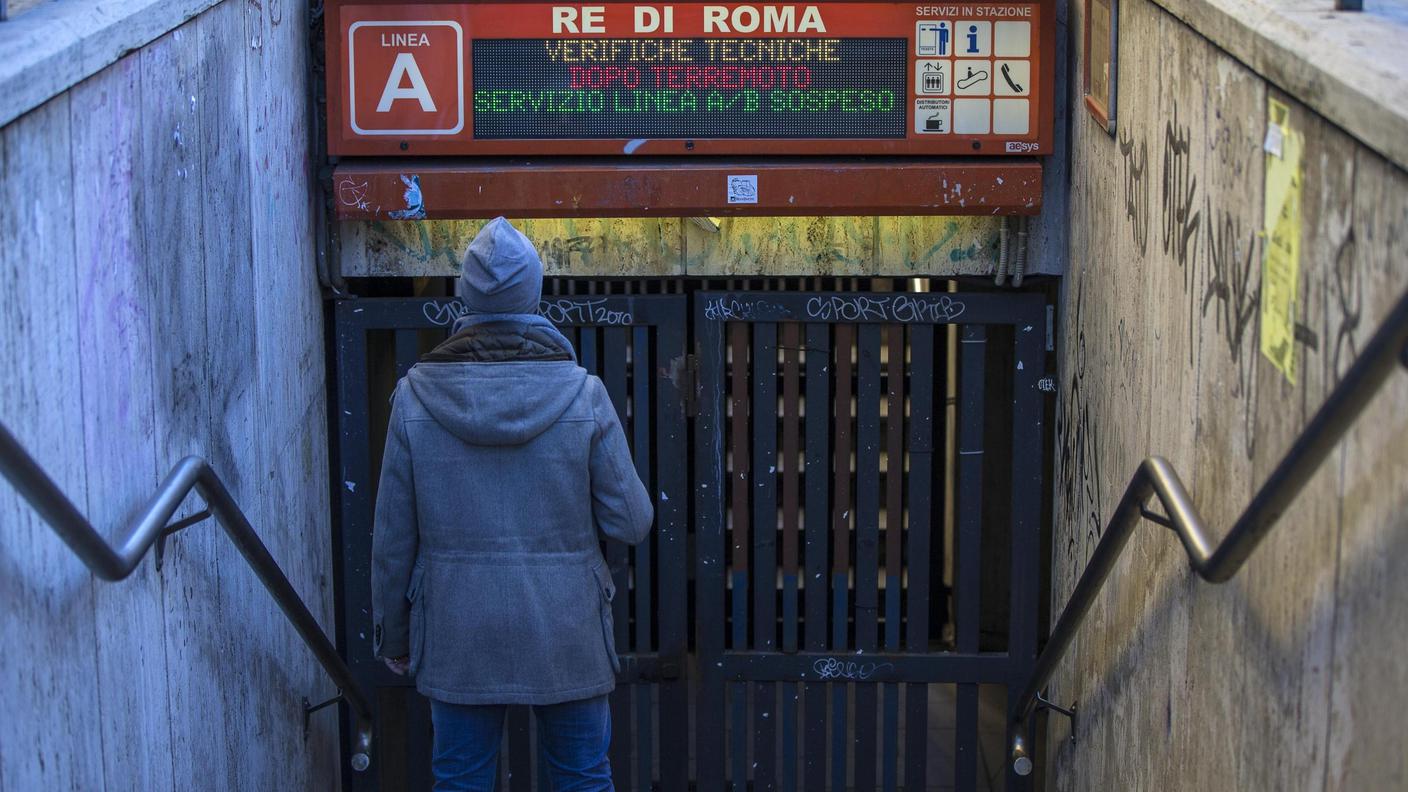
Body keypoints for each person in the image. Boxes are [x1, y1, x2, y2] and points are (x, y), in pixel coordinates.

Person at [371, 217, 653, 791]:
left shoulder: (413, 396)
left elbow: (393, 538)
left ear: (465, 295)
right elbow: (632, 519)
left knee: (461, 781)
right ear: (535, 293)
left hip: (456, 630)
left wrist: (395, 637)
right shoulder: (584, 394)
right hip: (566, 628)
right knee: (580, 777)